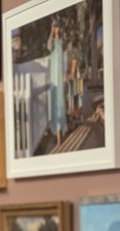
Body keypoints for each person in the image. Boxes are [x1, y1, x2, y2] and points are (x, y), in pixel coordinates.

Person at [47, 18, 68, 146]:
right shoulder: (52, 43)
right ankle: (57, 131)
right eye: (54, 27)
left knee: (61, 102)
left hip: (60, 77)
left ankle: (61, 128)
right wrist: (50, 32)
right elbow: (48, 46)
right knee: (55, 102)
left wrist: (65, 73)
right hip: (53, 77)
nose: (56, 29)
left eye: (57, 27)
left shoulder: (61, 42)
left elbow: (64, 59)